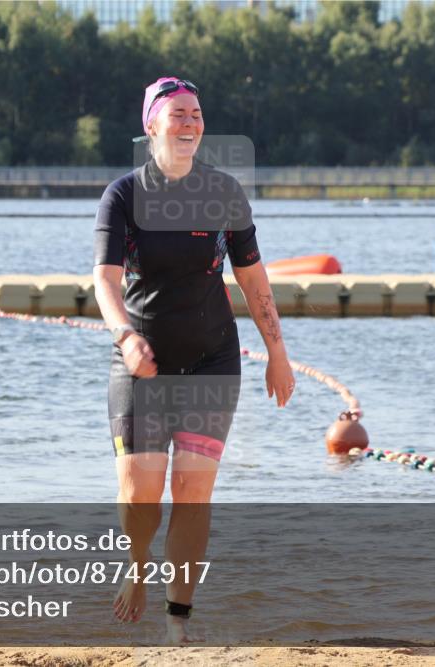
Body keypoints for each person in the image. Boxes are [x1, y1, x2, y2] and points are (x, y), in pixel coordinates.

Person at [92, 77, 294, 643]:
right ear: (151, 124)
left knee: (193, 493)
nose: (190, 123)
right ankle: (137, 565)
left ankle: (177, 623)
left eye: (197, 114)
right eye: (177, 113)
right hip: (143, 364)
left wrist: (277, 352)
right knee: (139, 497)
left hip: (212, 360)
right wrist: (125, 337)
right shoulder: (123, 196)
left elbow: (252, 275)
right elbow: (104, 280)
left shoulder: (224, 192)